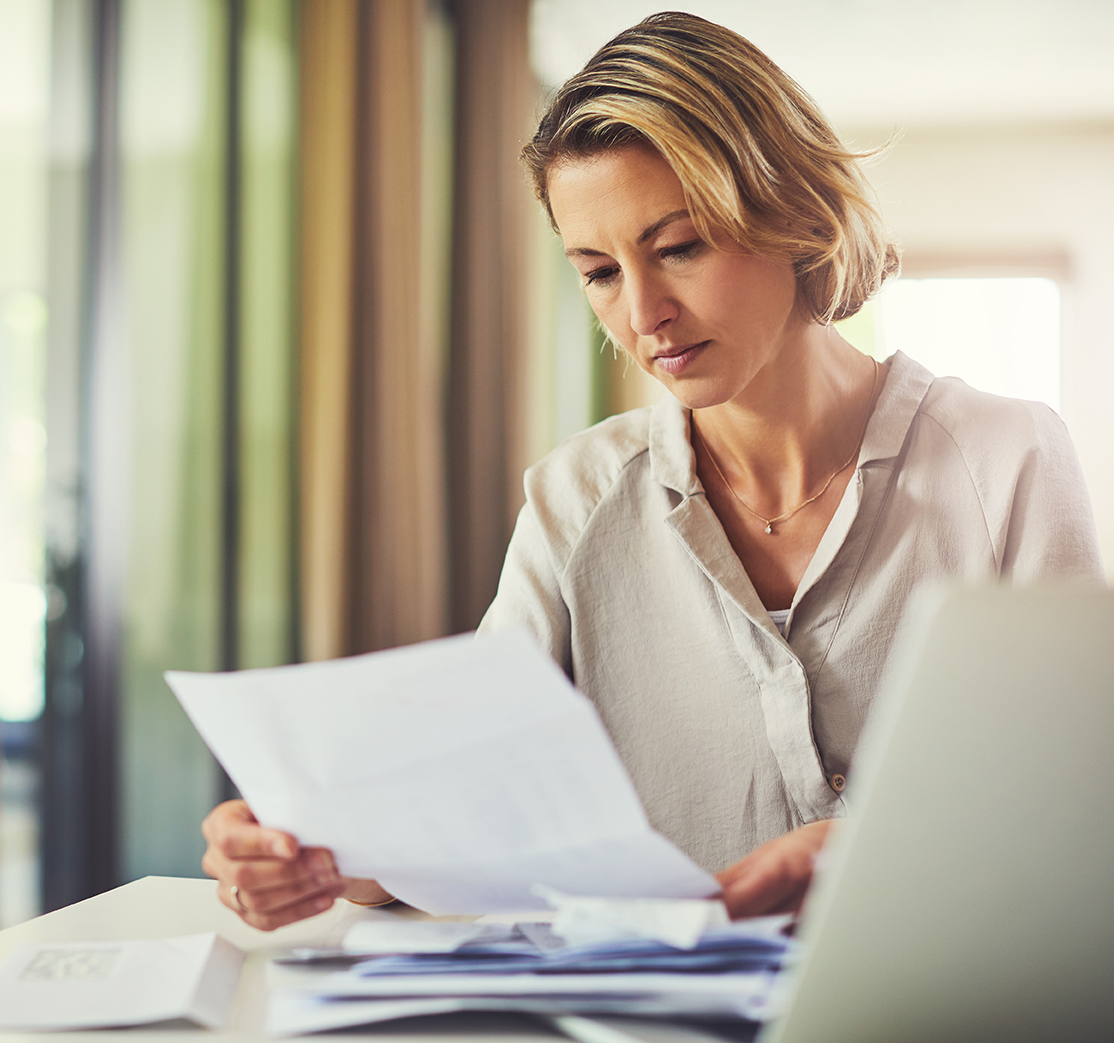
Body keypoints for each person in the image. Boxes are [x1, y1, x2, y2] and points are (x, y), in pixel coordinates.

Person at [199, 11, 1103, 932]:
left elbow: (1080, 805)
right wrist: (307, 851)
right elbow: (458, 805)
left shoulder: (1010, 462)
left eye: (680, 247)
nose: (644, 314)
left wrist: (870, 845)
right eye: (598, 270)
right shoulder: (573, 499)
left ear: (791, 213)